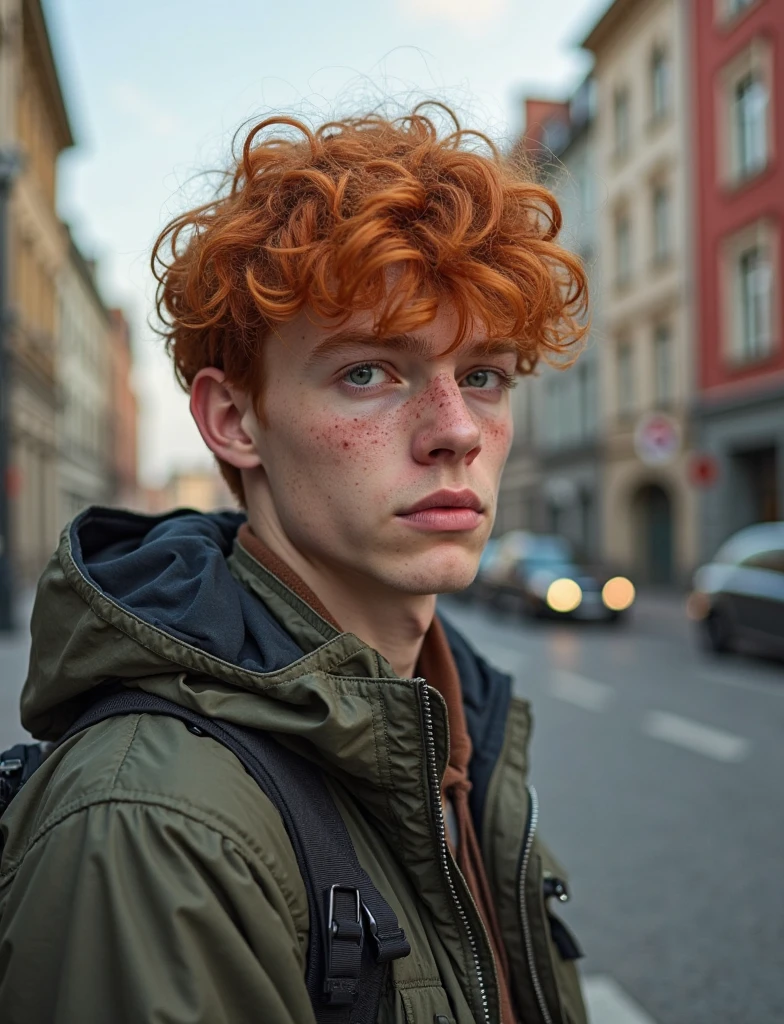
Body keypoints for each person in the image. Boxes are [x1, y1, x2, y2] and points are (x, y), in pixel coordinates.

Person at [0, 106, 588, 1023]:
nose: (457, 432)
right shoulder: (155, 825)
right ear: (234, 420)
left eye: (484, 376)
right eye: (369, 371)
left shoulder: (456, 721)